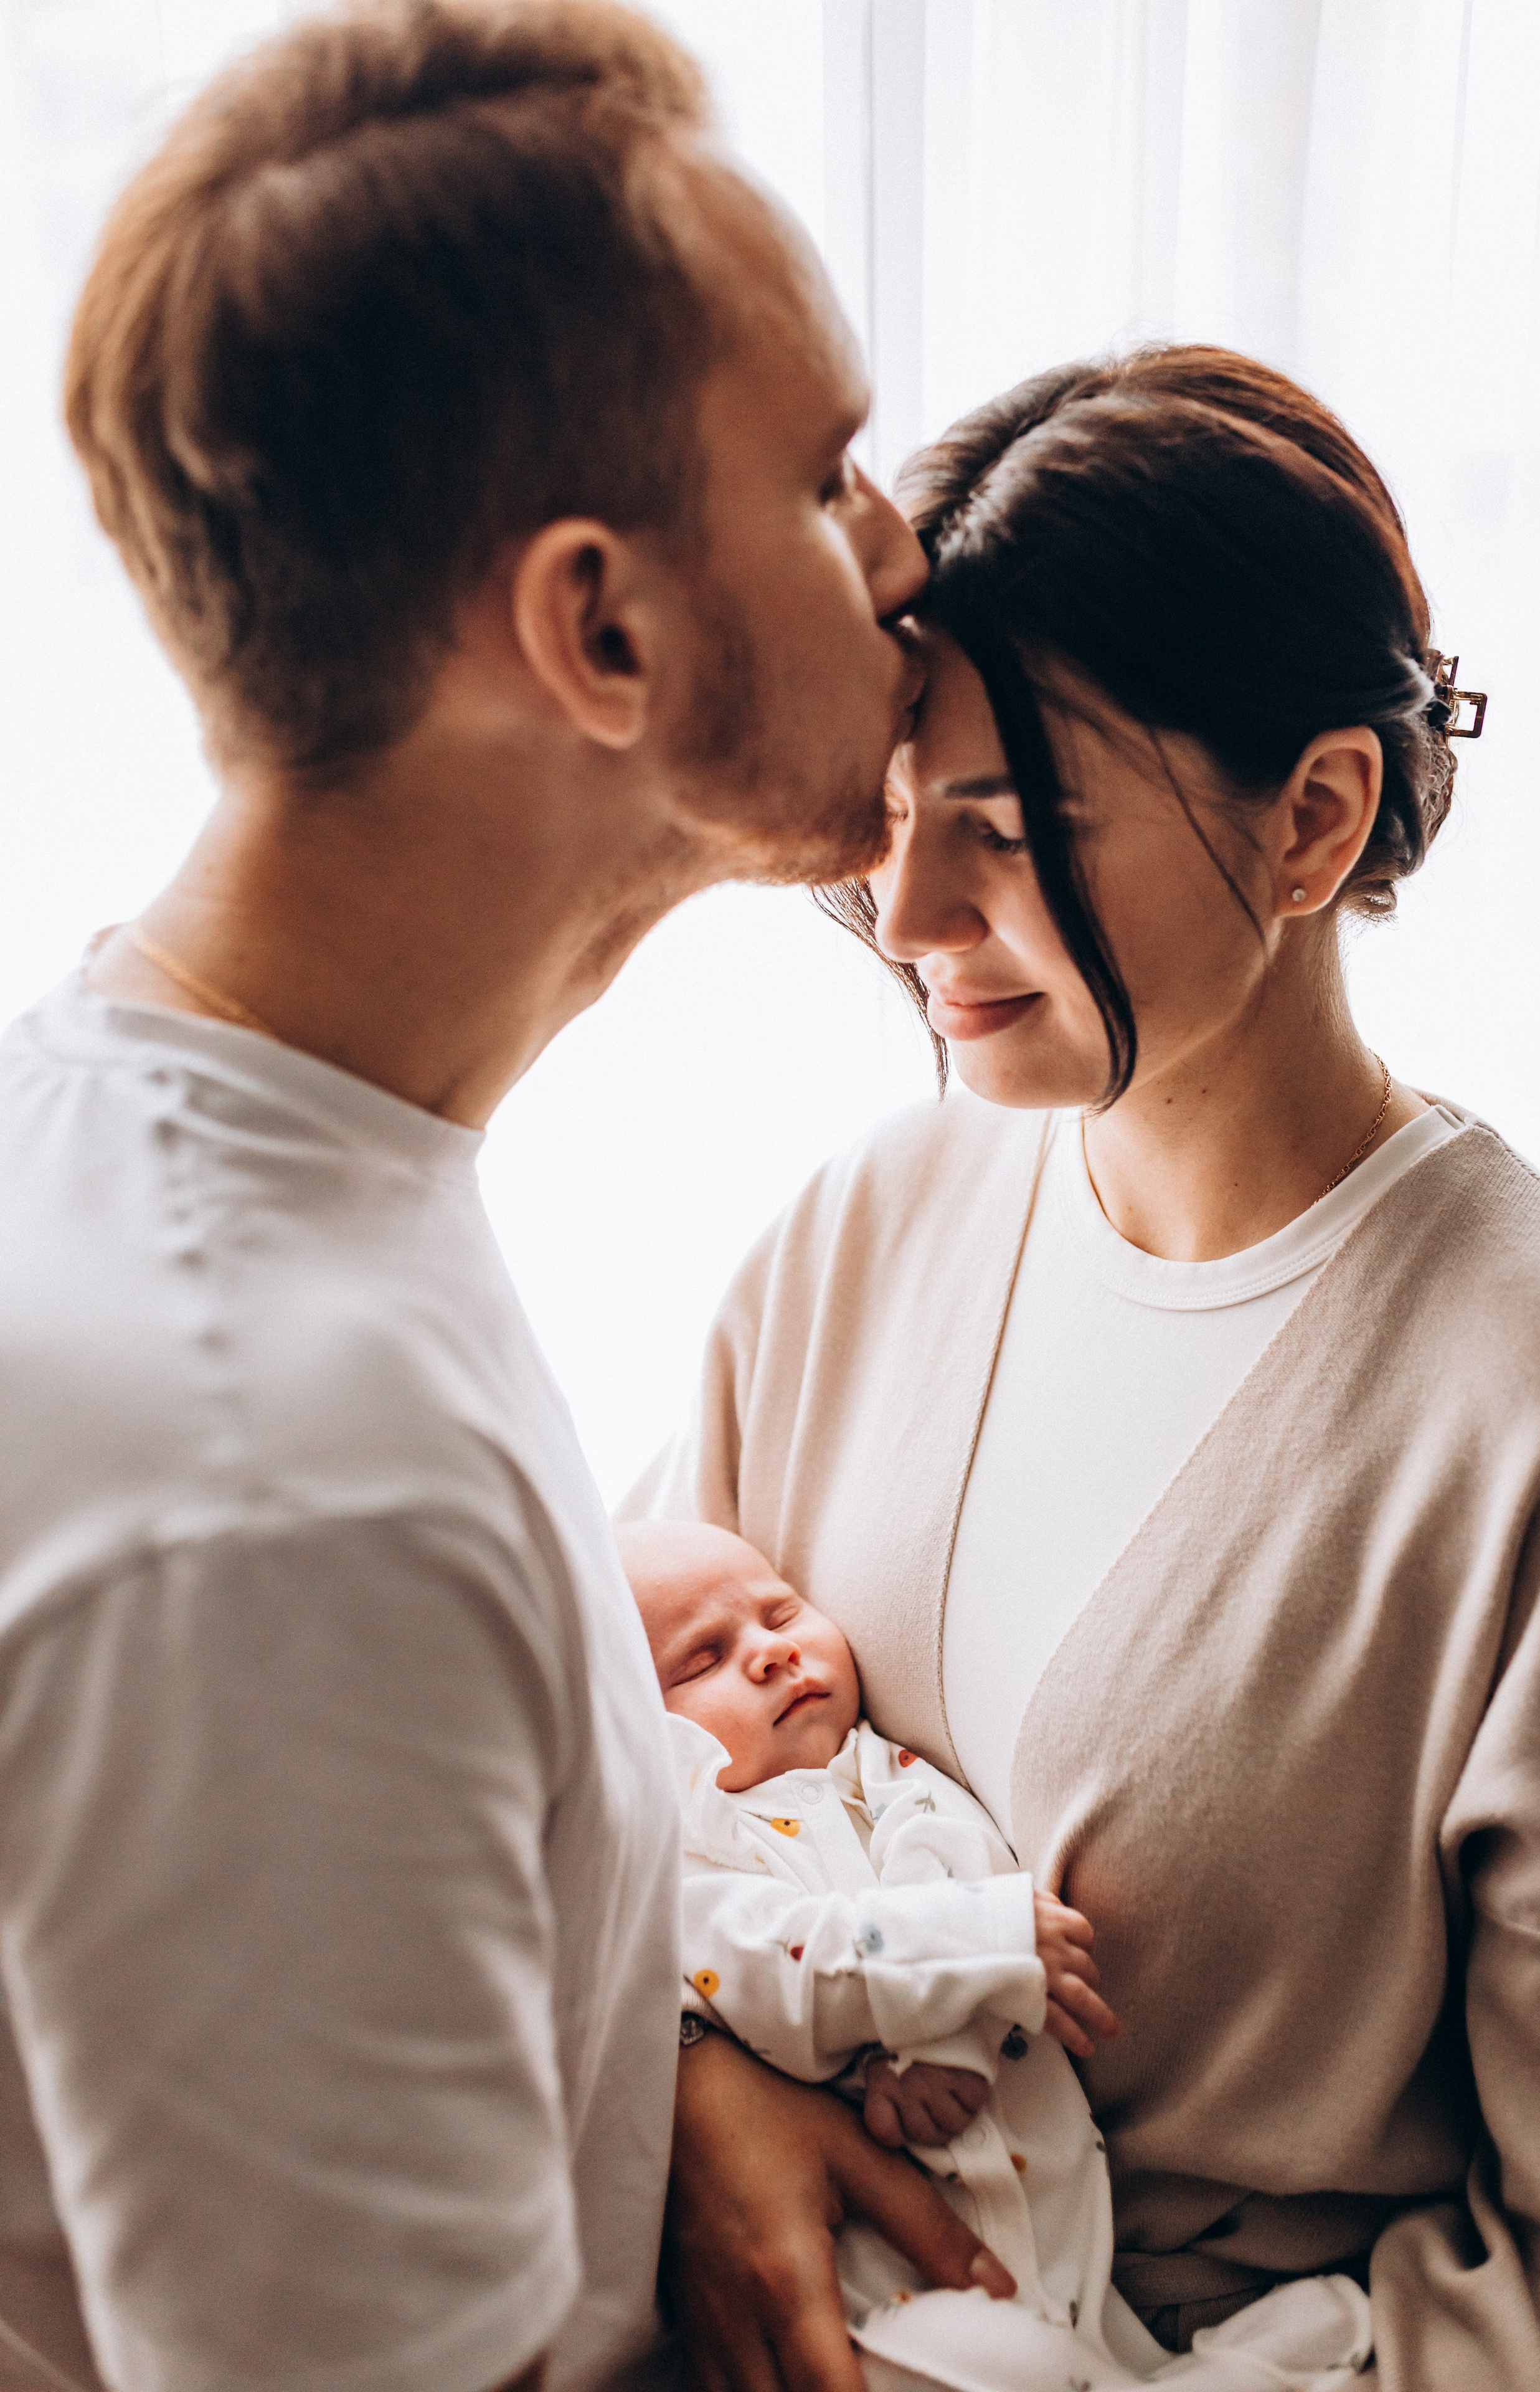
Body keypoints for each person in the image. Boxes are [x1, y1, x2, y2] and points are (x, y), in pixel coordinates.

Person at [0, 5, 1014, 2388]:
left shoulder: (198, 1132)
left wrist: (663, 2079)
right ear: (600, 629)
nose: (905, 556)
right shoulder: (285, 1488)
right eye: (834, 472)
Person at [631, 347, 1540, 2392]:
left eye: (1015, 824)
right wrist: (699, 2099)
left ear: (1318, 814)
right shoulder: (864, 1228)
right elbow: (586, 1792)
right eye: (900, 816)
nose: (906, 913)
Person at [618, 1521, 1376, 2392]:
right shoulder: (694, 1851)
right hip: (884, 2303)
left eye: (780, 1613)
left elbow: (959, 1870)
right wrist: (971, 1945)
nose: (767, 1653)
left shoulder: (889, 1772)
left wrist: (947, 2033)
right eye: (702, 1660)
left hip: (1054, 2235)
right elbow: (767, 1963)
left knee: (1079, 2349)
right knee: (1008, 2365)